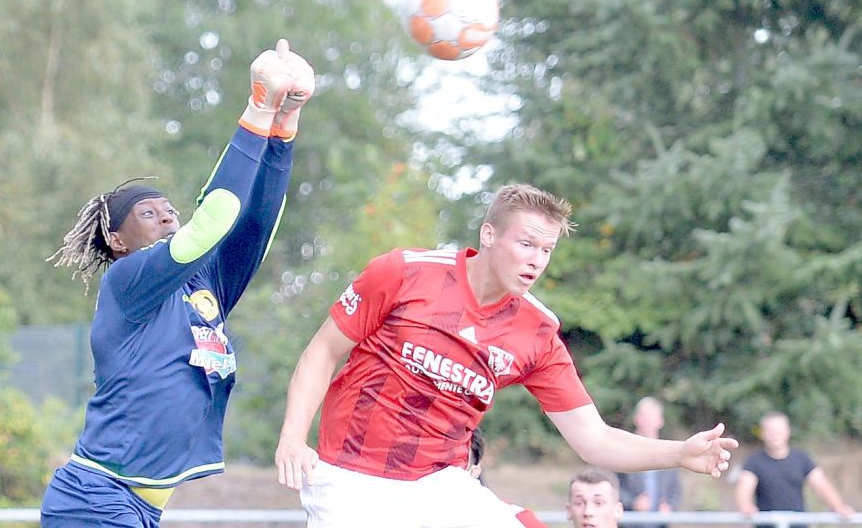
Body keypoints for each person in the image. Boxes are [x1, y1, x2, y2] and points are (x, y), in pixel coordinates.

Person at [274, 183, 739, 528]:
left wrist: (678, 452)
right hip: (352, 482)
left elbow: (592, 439)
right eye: (527, 244)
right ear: (490, 233)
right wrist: (293, 437)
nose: (537, 260)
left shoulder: (536, 333)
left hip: (439, 485)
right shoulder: (404, 273)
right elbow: (322, 351)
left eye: (547, 250)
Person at [39, 39, 315, 528]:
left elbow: (254, 224)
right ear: (116, 239)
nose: (167, 215)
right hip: (95, 498)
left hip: (138, 506)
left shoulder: (202, 287)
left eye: (170, 209)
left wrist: (283, 126)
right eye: (148, 213)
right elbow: (214, 219)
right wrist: (257, 107)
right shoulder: (128, 279)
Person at [735, 411, 855, 528]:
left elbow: (821, 484)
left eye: (778, 430)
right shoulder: (754, 462)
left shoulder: (802, 459)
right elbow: (745, 488)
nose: (774, 435)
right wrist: (746, 506)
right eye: (770, 431)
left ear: (788, 431)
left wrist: (838, 506)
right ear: (762, 433)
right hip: (767, 525)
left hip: (798, 524)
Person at [617, 397, 681, 528]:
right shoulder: (624, 451)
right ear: (636, 419)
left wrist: (669, 506)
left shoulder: (669, 453)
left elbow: (675, 489)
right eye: (645, 417)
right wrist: (633, 503)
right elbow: (613, 485)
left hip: (660, 524)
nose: (648, 422)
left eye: (652, 417)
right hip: (630, 522)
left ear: (660, 421)